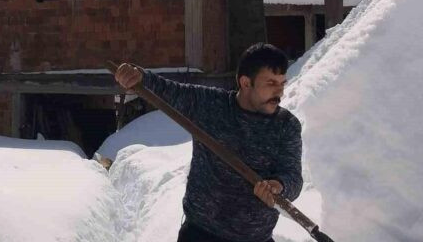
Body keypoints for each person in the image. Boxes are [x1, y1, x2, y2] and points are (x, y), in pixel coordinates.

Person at [115, 43, 303, 242]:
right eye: (271, 83)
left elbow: (292, 177)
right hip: (200, 234)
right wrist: (138, 76)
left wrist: (279, 186)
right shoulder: (211, 106)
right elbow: (168, 91)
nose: (279, 92)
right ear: (246, 82)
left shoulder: (286, 125)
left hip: (256, 238)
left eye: (282, 83)